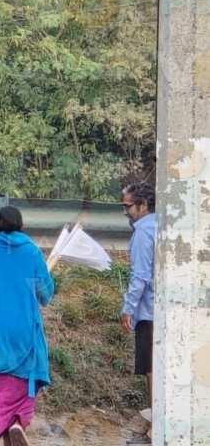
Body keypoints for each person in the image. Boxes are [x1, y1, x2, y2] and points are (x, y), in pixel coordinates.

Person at [0, 206, 54, 446]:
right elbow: (46, 294)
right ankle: (19, 422)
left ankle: (9, 426)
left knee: (0, 384)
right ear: (22, 227)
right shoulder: (32, 253)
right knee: (24, 379)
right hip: (23, 328)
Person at [120, 181, 156, 444]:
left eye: (128, 206)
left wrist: (128, 308)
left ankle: (158, 421)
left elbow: (141, 275)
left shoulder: (144, 232)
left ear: (142, 205)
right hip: (164, 307)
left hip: (148, 310)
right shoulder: (162, 225)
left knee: (151, 367)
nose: (126, 212)